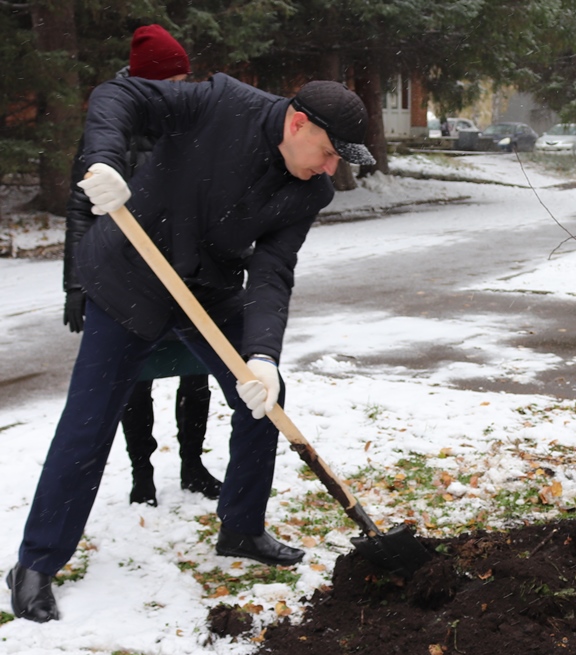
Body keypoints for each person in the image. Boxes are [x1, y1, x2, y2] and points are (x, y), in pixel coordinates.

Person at [8, 71, 376, 623]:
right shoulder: (220, 103)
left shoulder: (310, 189)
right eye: (327, 153)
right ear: (297, 123)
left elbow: (273, 272)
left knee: (262, 399)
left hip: (207, 291)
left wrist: (263, 356)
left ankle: (242, 528)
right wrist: (104, 161)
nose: (330, 169)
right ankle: (35, 563)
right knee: (90, 421)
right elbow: (118, 94)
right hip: (130, 275)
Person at [63, 24, 221, 507]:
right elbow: (79, 206)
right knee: (136, 382)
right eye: (171, 84)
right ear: (148, 84)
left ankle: (193, 466)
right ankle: (143, 475)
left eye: (183, 82)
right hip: (128, 277)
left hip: (187, 273)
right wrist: (75, 285)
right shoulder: (111, 127)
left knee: (197, 376)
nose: (180, 92)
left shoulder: (190, 124)